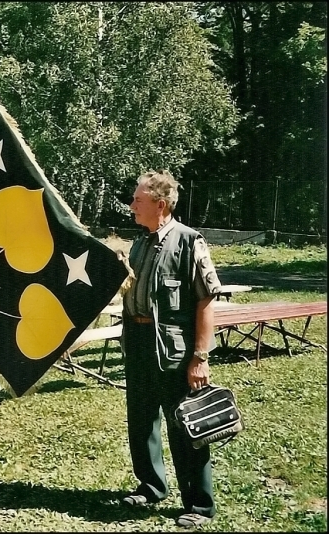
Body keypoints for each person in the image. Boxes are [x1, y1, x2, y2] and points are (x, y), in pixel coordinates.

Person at [120, 169, 223, 529]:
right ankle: (151, 487)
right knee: (141, 420)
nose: (132, 205)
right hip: (137, 343)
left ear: (160, 204)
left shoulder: (189, 241)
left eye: (138, 200)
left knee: (185, 426)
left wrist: (200, 357)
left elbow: (206, 301)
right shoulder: (140, 243)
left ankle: (199, 504)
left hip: (173, 351)